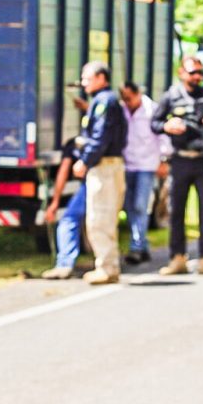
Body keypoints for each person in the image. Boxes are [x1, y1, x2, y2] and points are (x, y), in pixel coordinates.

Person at [150, 56, 203, 276]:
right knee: (176, 211)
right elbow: (154, 123)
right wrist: (167, 125)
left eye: (199, 73)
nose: (197, 77)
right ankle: (177, 259)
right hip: (179, 160)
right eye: (192, 72)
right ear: (181, 73)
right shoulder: (171, 96)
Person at [73, 62, 127, 285]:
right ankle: (109, 266)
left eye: (87, 78)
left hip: (104, 167)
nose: (83, 82)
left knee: (99, 219)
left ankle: (106, 268)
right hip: (109, 165)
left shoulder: (105, 101)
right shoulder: (102, 101)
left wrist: (85, 160)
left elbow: (100, 136)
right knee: (106, 218)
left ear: (101, 78)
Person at [118, 82, 171, 266]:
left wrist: (163, 160)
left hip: (147, 165)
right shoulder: (123, 110)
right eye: (124, 99)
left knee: (140, 205)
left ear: (138, 94)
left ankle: (136, 247)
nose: (127, 102)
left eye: (129, 98)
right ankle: (143, 245)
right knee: (129, 207)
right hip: (128, 165)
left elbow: (163, 136)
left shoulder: (152, 110)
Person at [39, 139, 87, 279]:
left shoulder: (78, 143)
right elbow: (64, 170)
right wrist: (55, 203)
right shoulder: (78, 143)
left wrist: (55, 203)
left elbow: (64, 171)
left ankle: (65, 264)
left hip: (95, 181)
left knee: (69, 220)